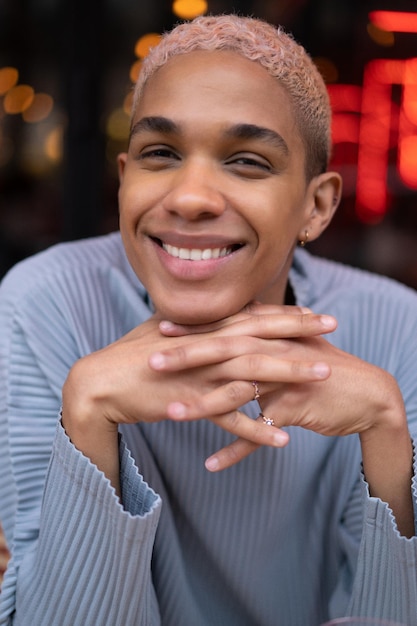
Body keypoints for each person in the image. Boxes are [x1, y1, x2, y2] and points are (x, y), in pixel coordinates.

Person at [0, 14, 417, 626]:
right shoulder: (48, 303)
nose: (190, 197)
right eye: (160, 153)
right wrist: (87, 410)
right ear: (124, 181)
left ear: (316, 205)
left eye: (247, 161)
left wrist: (385, 430)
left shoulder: (400, 330)